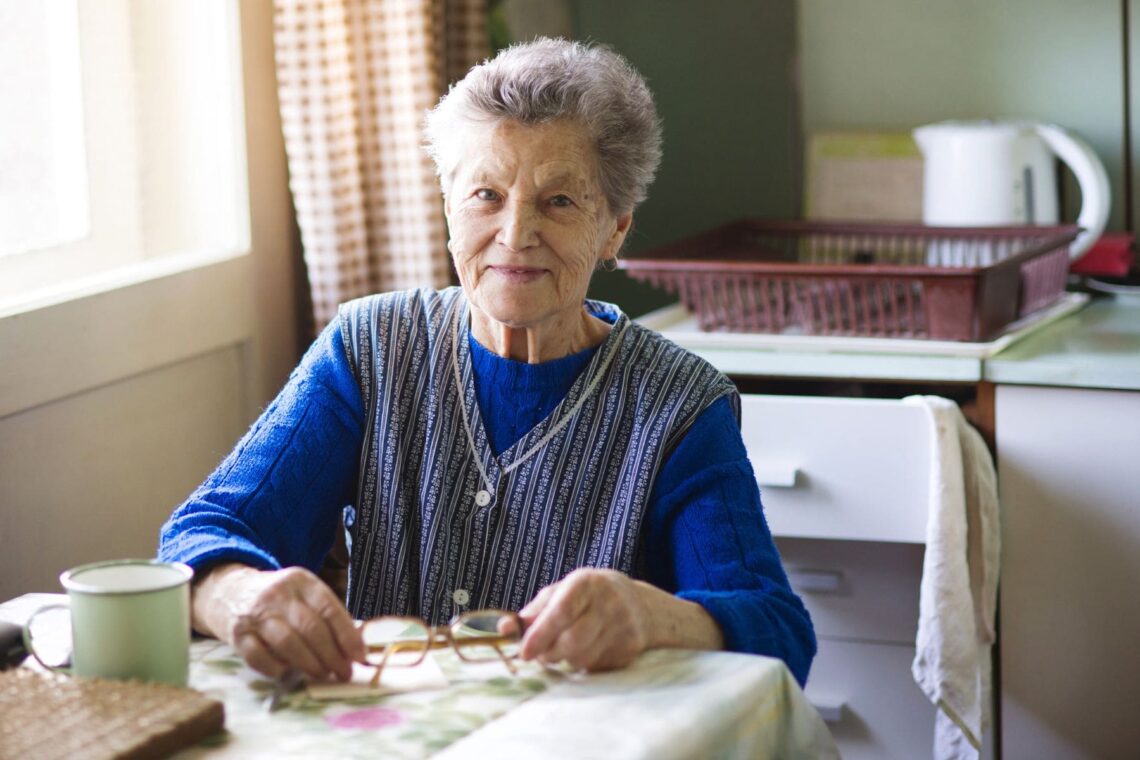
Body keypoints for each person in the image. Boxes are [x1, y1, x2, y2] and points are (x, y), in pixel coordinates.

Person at [158, 37, 815, 687]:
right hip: (391, 733)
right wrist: (239, 595)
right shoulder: (369, 349)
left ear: (615, 226)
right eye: (485, 195)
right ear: (448, 205)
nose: (515, 233)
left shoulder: (677, 405)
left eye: (558, 201)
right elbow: (201, 533)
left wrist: (653, 615)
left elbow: (779, 632)